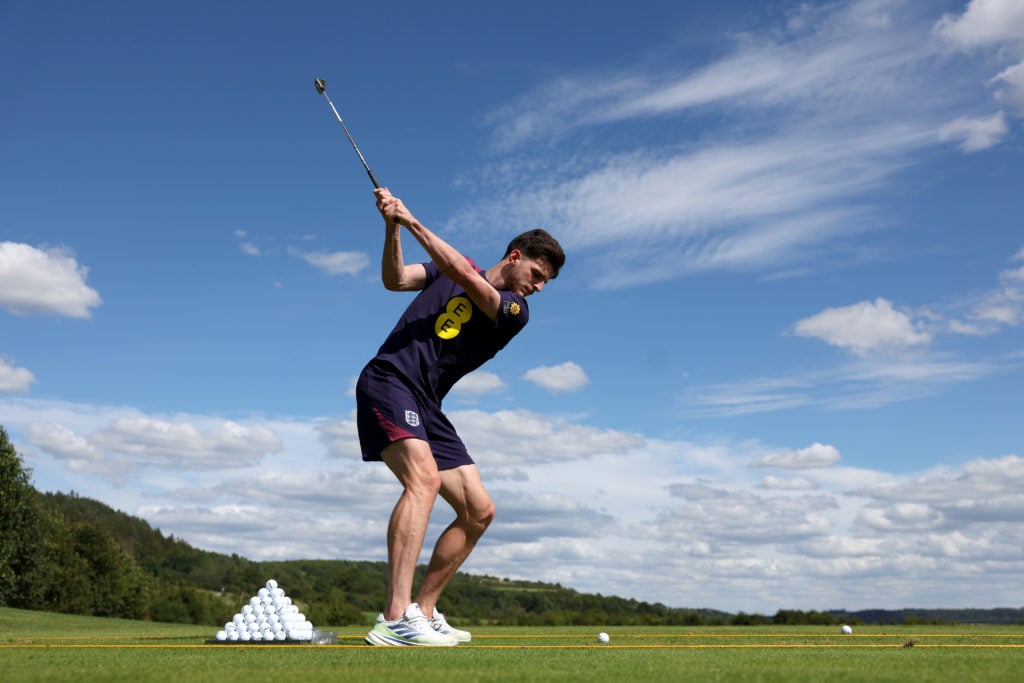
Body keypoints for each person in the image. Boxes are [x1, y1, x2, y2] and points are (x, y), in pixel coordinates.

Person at [359, 187, 565, 646]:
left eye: (546, 281)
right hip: (391, 380)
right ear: (515, 256)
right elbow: (395, 280)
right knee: (425, 481)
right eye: (537, 273)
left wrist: (410, 219)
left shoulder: (515, 310)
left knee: (479, 510)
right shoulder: (448, 269)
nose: (539, 286)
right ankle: (394, 619)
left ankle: (424, 610)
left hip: (428, 403)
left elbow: (460, 271)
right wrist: (392, 227)